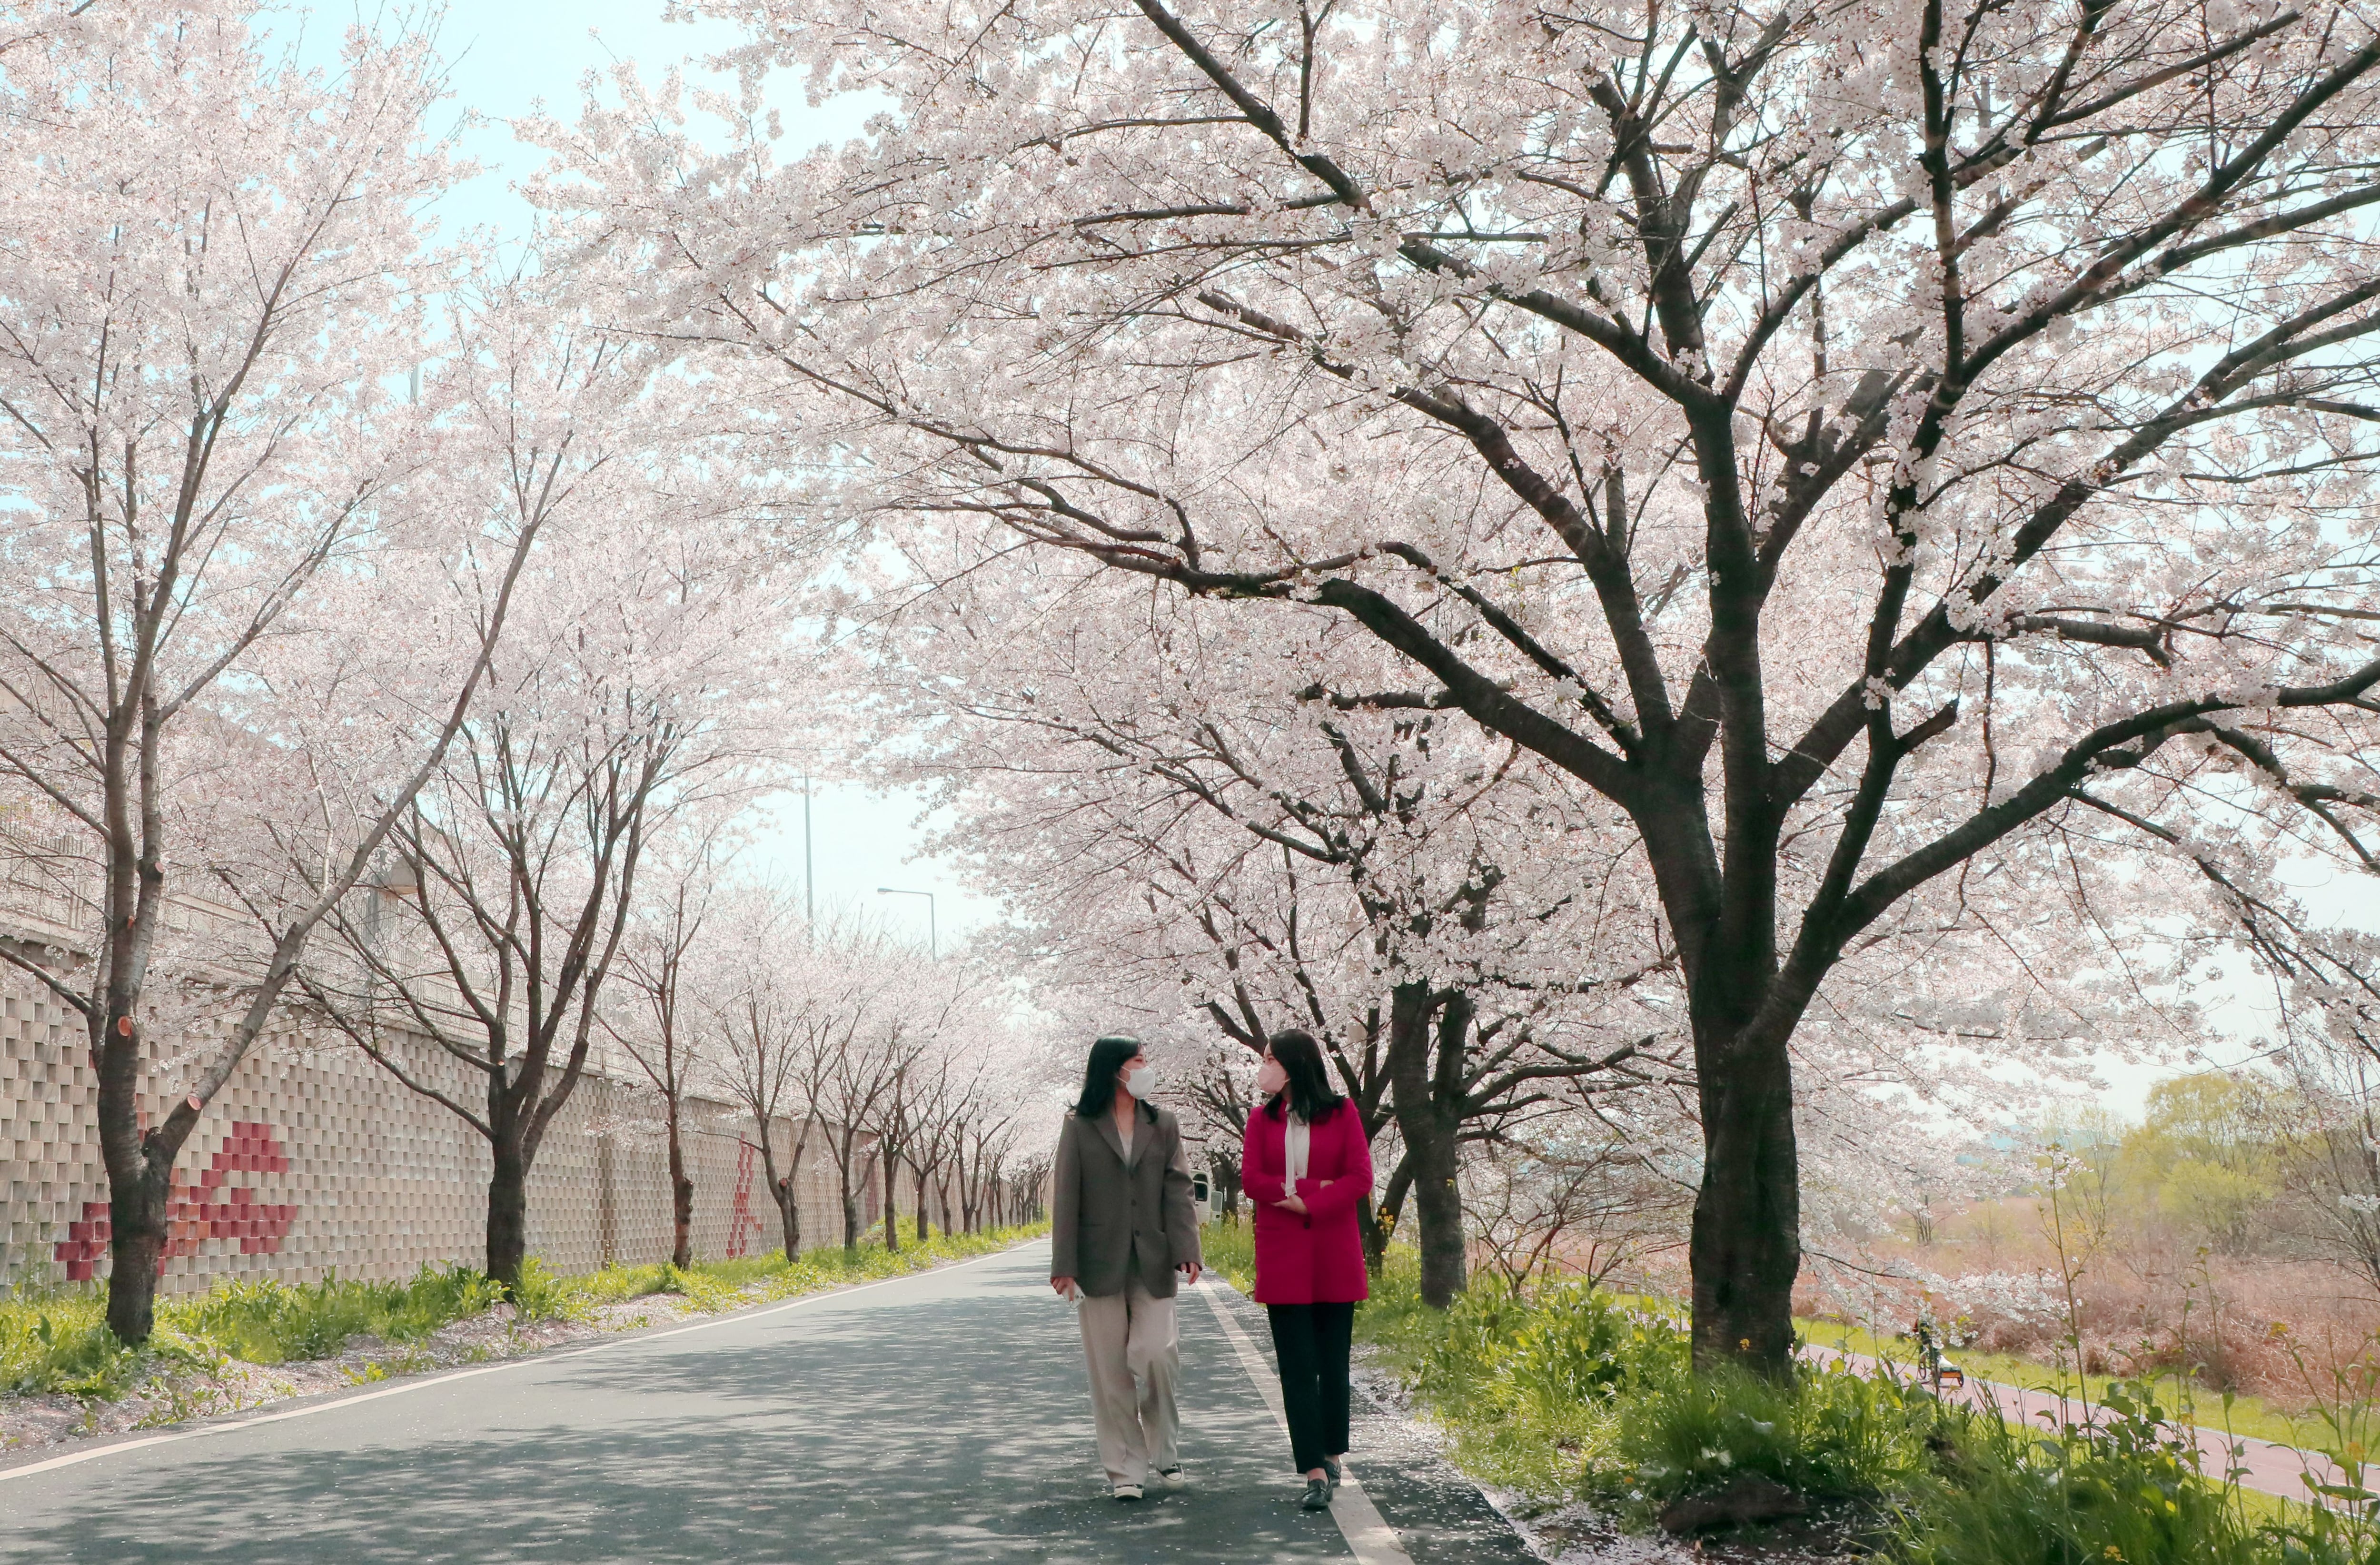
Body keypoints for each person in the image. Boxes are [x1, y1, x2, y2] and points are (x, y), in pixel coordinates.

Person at [1049, 1034, 1204, 1502]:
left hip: (1153, 1259)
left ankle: (1165, 1451)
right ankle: (1124, 1470)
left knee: (1157, 1354)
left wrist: (1188, 1247)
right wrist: (1064, 1264)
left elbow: (1178, 1188)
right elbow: (1066, 1195)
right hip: (1097, 1262)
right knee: (1109, 1370)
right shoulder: (1079, 1125)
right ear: (1113, 1068)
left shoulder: (1163, 1123)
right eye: (1137, 1060)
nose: (1144, 1067)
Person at [1242, 1027, 1373, 1513]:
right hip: (1282, 1256)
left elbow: (1359, 1176)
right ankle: (1313, 1469)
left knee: (1331, 1363)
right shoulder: (1261, 1118)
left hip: (1332, 1253)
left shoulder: (1342, 1112)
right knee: (1296, 1367)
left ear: (1296, 1063)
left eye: (1272, 1058)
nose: (1265, 1067)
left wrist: (1310, 1197)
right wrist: (1290, 1194)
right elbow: (1251, 1176)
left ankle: (1333, 1451)